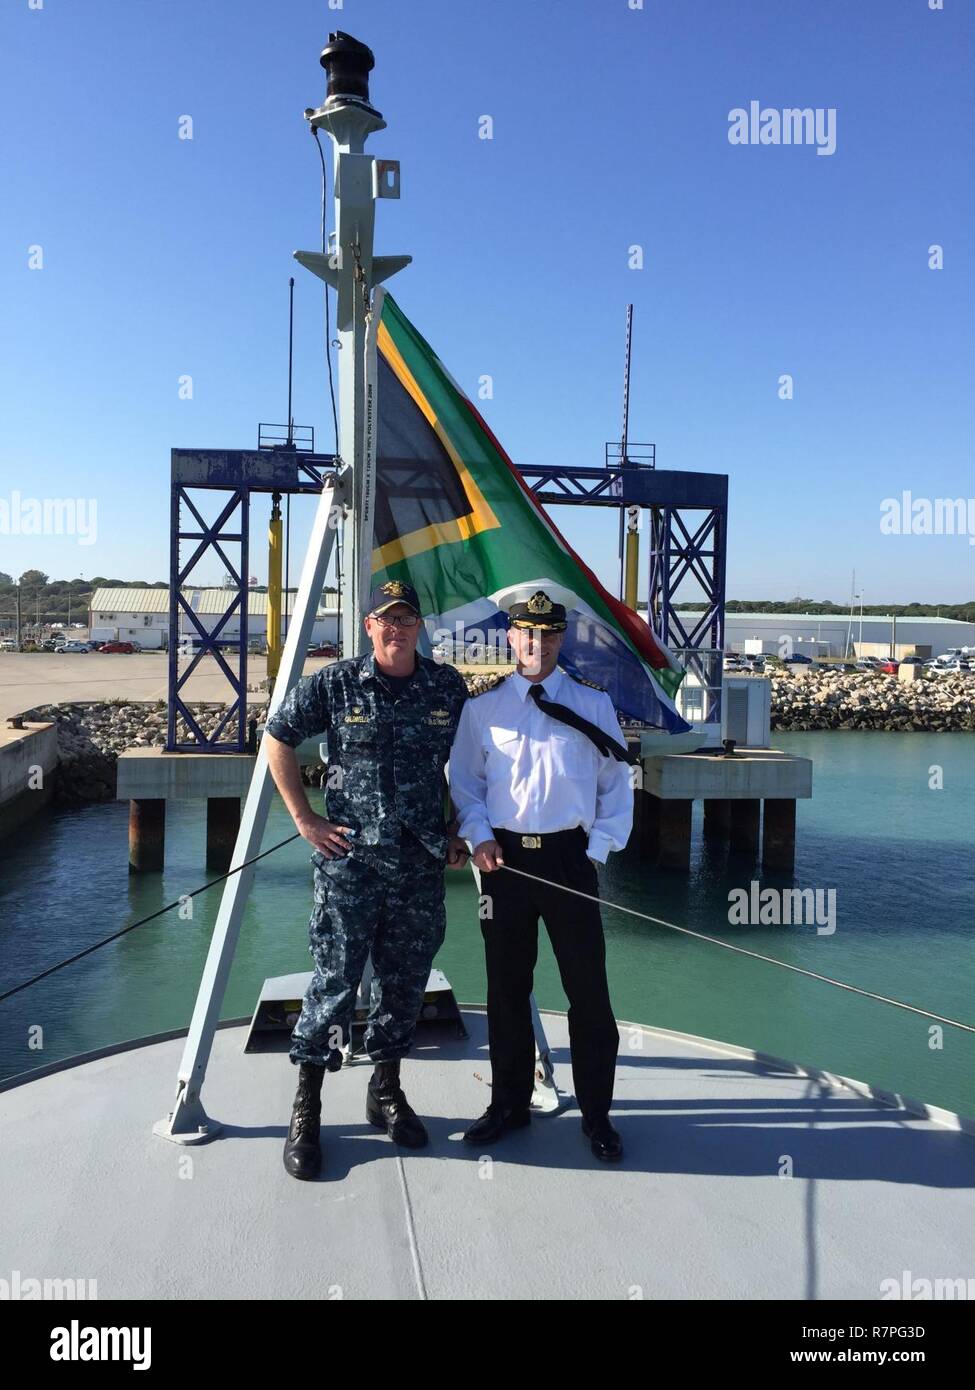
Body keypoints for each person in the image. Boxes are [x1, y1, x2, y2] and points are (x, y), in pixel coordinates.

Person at [264, 580, 469, 1180]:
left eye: (406, 619)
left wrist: (458, 827)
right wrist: (304, 819)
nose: (396, 628)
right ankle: (308, 1108)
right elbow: (277, 736)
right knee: (335, 983)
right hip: (350, 865)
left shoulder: (445, 687)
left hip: (419, 866)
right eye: (386, 620)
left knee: (404, 984)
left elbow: (473, 761)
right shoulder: (335, 682)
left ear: (418, 626)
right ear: (369, 627)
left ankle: (385, 1090)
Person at [448, 589, 634, 1162]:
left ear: (560, 639)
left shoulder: (592, 704)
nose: (537, 643)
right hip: (504, 864)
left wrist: (596, 851)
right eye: (527, 633)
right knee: (506, 990)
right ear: (511, 637)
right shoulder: (483, 709)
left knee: (589, 994)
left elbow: (616, 784)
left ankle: (597, 1115)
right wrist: (477, 836)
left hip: (569, 862)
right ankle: (507, 1103)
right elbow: (466, 784)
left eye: (548, 634)